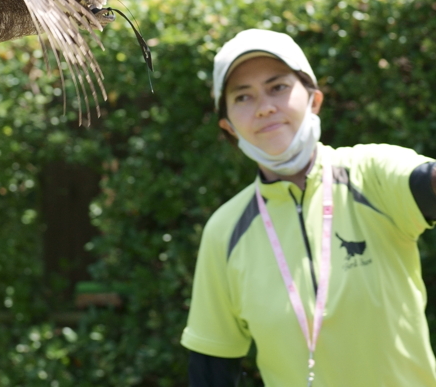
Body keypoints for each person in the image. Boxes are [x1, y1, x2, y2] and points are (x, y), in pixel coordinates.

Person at [181, 28, 436, 386]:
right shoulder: (224, 231)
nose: (265, 107)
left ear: (314, 99)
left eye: (278, 87)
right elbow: (211, 370)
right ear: (229, 127)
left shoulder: (371, 174)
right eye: (243, 97)